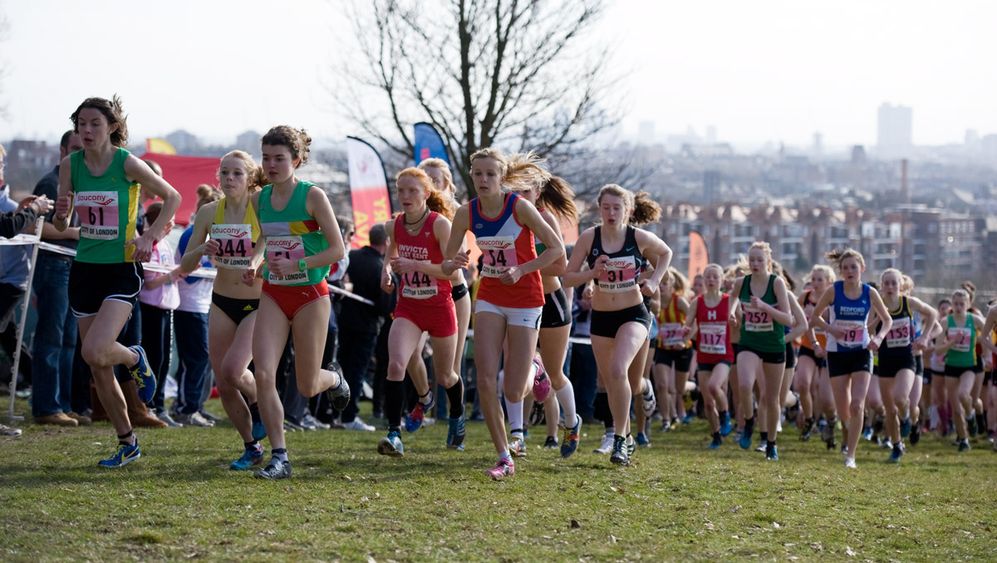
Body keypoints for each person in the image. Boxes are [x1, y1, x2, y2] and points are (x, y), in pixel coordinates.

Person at [53, 96, 181, 467]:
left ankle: (134, 356)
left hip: (120, 269)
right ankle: (128, 442)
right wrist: (62, 216)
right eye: (81, 124)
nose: (87, 130)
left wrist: (149, 237)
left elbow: (172, 197)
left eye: (94, 123)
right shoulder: (70, 165)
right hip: (85, 268)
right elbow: (63, 224)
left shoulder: (126, 162)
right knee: (98, 365)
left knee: (94, 350)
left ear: (111, 126)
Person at [441, 147, 565, 480]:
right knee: (484, 378)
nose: (483, 180)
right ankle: (504, 456)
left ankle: (535, 369)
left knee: (512, 388)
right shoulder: (466, 213)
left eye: (490, 174)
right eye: (478, 174)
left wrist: (523, 269)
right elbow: (446, 259)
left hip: (526, 297)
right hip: (491, 296)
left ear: (502, 177)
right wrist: (452, 263)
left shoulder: (519, 208)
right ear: (472, 175)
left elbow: (557, 250)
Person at [248, 126, 348, 479]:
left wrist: (299, 263)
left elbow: (337, 250)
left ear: (297, 160)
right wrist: (255, 263)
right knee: (263, 374)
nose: (271, 165)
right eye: (266, 158)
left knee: (307, 385)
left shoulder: (312, 196)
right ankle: (280, 456)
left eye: (279, 158)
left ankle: (334, 380)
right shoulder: (259, 199)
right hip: (275, 292)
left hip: (310, 295)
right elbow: (265, 239)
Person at [562, 184, 672, 466]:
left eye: (617, 208)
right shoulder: (590, 237)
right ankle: (645, 389)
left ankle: (621, 439)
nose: (611, 213)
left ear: (627, 210)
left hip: (633, 314)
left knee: (617, 370)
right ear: (599, 209)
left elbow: (666, 253)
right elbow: (568, 277)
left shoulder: (637, 237)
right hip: (602, 318)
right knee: (621, 383)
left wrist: (655, 280)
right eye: (606, 207)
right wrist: (592, 274)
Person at [180, 150, 269, 468]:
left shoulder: (260, 206)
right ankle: (252, 447)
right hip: (221, 301)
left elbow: (272, 241)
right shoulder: (208, 213)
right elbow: (184, 266)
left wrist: (257, 260)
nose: (229, 179)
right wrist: (202, 249)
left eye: (237, 173)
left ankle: (261, 402)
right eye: (224, 173)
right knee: (224, 378)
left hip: (257, 302)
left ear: (249, 178)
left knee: (234, 369)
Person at [378, 167, 463, 456]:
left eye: (412, 190)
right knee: (395, 364)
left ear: (426, 193)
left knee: (446, 376)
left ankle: (456, 416)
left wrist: (416, 266)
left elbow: (451, 273)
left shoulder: (440, 225)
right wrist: (387, 272)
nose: (405, 196)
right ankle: (394, 434)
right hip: (409, 306)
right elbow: (391, 255)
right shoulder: (395, 225)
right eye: (400, 190)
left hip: (439, 306)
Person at [509, 165, 583, 458]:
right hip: (516, 301)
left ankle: (571, 422)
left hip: (549, 300)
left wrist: (524, 267)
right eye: (514, 191)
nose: (520, 197)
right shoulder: (507, 219)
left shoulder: (545, 218)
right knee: (513, 371)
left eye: (525, 191)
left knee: (555, 374)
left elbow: (560, 266)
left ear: (537, 193)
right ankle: (517, 434)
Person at [808, 249, 892, 469]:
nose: (849, 271)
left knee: (857, 404)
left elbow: (887, 320)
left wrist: (879, 338)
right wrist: (830, 329)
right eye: (845, 268)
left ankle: (851, 456)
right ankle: (847, 429)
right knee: (844, 409)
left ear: (862, 268)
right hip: (837, 352)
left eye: (853, 267)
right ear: (841, 271)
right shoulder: (833, 291)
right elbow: (814, 318)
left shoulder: (869, 292)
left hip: (862, 351)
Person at [30, 131, 88, 427]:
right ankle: (46, 406)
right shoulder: (50, 183)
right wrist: (77, 233)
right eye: (75, 148)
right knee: (51, 338)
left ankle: (64, 405)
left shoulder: (80, 184)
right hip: (53, 266)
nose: (81, 154)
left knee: (68, 340)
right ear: (62, 150)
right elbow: (35, 227)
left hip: (72, 266)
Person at [728, 242, 794, 460]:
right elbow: (732, 297)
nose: (755, 264)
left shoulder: (777, 284)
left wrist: (765, 307)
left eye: (759, 260)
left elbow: (788, 319)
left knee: (772, 399)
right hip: (749, 341)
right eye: (752, 260)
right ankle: (748, 422)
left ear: (768, 261)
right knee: (745, 384)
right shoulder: (741, 282)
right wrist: (732, 313)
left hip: (774, 344)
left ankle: (771, 444)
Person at [867, 268, 937, 463]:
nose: (890, 287)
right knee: (889, 409)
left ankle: (906, 416)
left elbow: (932, 314)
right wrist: (878, 320)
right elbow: (869, 329)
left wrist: (924, 337)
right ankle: (897, 446)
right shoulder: (877, 304)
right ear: (881, 286)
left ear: (900, 285)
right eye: (886, 283)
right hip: (885, 359)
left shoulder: (908, 303)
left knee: (900, 397)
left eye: (893, 283)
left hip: (906, 357)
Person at [337, 223, 393, 432]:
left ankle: (335, 413)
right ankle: (349, 416)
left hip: (345, 321)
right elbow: (384, 306)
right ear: (386, 242)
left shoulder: (353, 257)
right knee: (356, 372)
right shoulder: (380, 268)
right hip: (366, 327)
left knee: (341, 368)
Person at [173, 186, 219, 426]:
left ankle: (196, 405)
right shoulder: (190, 234)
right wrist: (212, 266)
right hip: (188, 305)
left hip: (205, 305)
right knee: (195, 357)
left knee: (205, 358)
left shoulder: (214, 237)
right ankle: (184, 407)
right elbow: (187, 273)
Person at [136, 201, 181, 425]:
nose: (172, 224)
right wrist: (175, 275)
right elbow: (150, 282)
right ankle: (150, 404)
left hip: (166, 307)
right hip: (151, 308)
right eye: (169, 220)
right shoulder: (150, 243)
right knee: (154, 358)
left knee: (163, 359)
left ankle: (159, 404)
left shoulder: (164, 245)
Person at [682, 263, 734, 448]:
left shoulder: (729, 301)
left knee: (714, 386)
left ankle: (726, 416)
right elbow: (688, 323)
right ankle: (716, 435)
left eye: (715, 277)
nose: (711, 280)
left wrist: (736, 320)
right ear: (703, 280)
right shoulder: (698, 302)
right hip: (704, 355)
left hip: (723, 355)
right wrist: (685, 330)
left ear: (721, 280)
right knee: (709, 403)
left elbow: (739, 321)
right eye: (708, 277)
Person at [936, 289, 986, 452]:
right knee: (956, 408)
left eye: (961, 304)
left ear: (968, 304)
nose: (958, 307)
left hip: (969, 366)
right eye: (955, 304)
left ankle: (971, 416)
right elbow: (937, 350)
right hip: (951, 367)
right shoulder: (945, 322)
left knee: (965, 395)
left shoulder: (975, 320)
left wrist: (984, 348)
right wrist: (951, 343)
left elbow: (989, 331)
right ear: (952, 304)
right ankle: (964, 439)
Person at [795, 265, 834, 444]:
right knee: (802, 383)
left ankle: (826, 420)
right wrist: (802, 315)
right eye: (813, 279)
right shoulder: (805, 297)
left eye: (820, 279)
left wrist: (821, 316)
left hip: (829, 350)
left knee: (822, 392)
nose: (815, 283)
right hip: (809, 346)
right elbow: (794, 317)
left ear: (829, 282)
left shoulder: (834, 299)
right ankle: (810, 419)